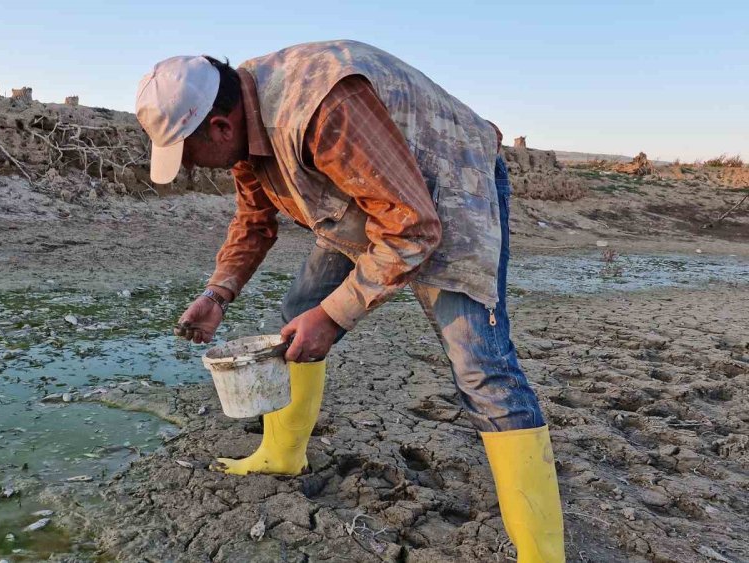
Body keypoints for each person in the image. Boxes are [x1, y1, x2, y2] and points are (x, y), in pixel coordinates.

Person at [135, 40, 564, 562]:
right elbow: (254, 219)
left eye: (187, 155)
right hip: (366, 196)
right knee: (296, 315)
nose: (188, 169)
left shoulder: (322, 109)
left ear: (220, 127)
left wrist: (334, 317)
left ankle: (543, 554)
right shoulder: (242, 121)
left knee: (482, 368)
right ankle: (281, 455)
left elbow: (412, 226)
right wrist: (217, 292)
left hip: (451, 184)